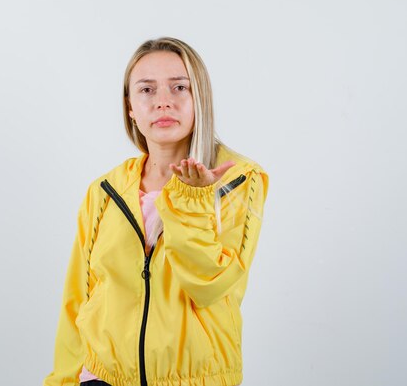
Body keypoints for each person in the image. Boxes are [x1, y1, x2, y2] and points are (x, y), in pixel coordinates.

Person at [43, 37, 269, 386]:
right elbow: (78, 301)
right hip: (101, 379)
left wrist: (192, 202)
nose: (163, 101)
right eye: (146, 90)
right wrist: (64, 380)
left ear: (200, 99)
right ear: (130, 106)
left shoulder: (238, 180)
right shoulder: (105, 190)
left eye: (179, 87)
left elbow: (209, 284)